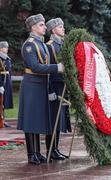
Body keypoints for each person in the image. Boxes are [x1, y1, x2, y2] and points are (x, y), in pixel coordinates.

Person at [17, 14, 64, 165]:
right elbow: (35, 66)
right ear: (33, 27)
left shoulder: (42, 44)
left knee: (37, 119)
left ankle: (38, 153)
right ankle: (32, 154)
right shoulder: (30, 45)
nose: (45, 27)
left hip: (41, 84)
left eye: (44, 24)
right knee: (31, 120)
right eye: (41, 25)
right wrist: (58, 67)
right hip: (32, 84)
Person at [45, 18, 71, 160]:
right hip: (54, 85)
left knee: (59, 119)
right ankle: (51, 149)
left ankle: (56, 148)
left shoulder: (63, 45)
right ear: (53, 30)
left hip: (62, 85)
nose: (63, 29)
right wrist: (50, 90)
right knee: (53, 119)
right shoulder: (49, 46)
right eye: (60, 27)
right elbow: (48, 70)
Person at [0, 41, 13, 128]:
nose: (7, 49)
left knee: (3, 102)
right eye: (5, 47)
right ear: (0, 48)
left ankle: (3, 119)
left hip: (6, 81)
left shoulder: (6, 58)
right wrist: (0, 85)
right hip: (1, 82)